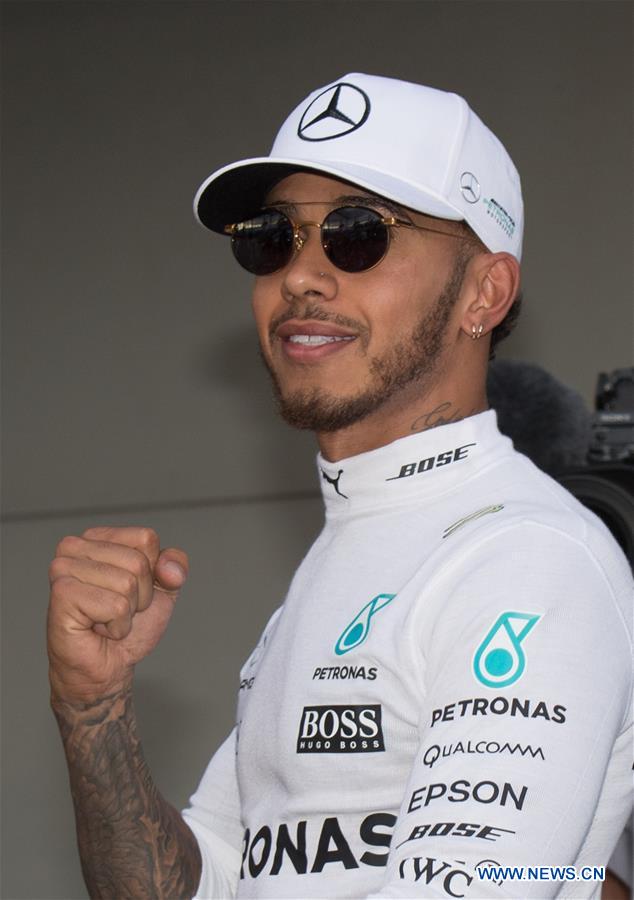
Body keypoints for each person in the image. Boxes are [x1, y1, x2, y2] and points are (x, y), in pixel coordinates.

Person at [47, 73, 633, 899]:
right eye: (272, 239)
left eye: (359, 235)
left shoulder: (528, 556)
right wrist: (93, 711)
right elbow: (204, 885)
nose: (302, 276)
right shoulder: (344, 563)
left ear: (484, 293)